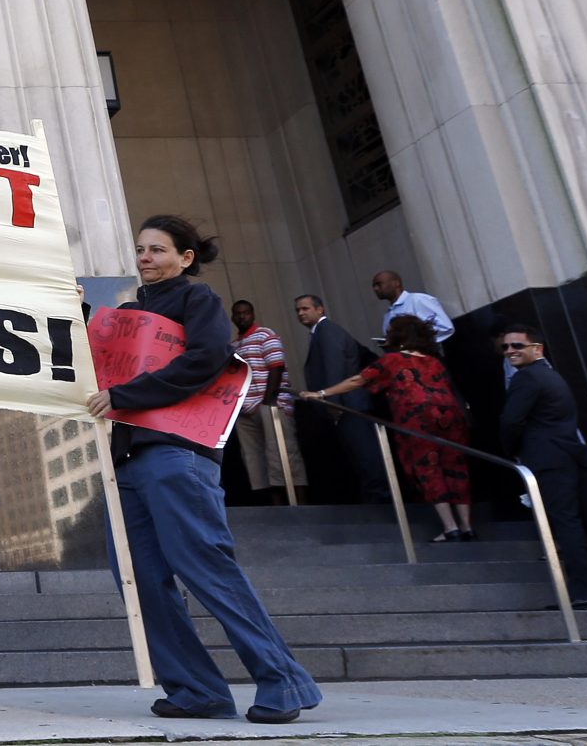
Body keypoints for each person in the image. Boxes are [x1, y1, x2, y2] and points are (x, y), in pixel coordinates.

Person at [87, 214, 322, 724]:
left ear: (185, 257)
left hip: (178, 454)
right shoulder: (129, 311)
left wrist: (124, 395)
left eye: (157, 249)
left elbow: (210, 357)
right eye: (141, 250)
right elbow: (98, 354)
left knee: (206, 569)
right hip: (126, 461)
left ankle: (284, 681)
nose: (146, 257)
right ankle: (196, 690)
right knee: (138, 578)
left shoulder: (198, 300)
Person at [302, 316, 472, 541]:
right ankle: (467, 526)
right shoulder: (433, 360)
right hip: (450, 416)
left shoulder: (393, 360)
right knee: (455, 467)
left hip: (416, 417)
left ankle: (450, 528)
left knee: (427, 468)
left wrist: (322, 393)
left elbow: (358, 380)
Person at [497, 322, 587, 607]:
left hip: (549, 460)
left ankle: (585, 591)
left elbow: (510, 421)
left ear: (537, 349)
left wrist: (513, 451)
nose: (509, 351)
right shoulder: (551, 376)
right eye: (505, 346)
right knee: (577, 521)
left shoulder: (526, 378)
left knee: (566, 524)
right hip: (571, 455)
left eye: (517, 346)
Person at [295, 294, 393, 503]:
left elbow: (334, 369)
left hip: (348, 405)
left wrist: (333, 405)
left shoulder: (327, 331)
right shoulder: (321, 332)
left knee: (367, 457)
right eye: (298, 310)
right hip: (345, 404)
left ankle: (382, 504)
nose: (301, 313)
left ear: (320, 309)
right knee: (360, 458)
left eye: (305, 308)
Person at [229, 300, 300, 503]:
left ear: (252, 314)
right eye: (238, 313)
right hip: (245, 410)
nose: (242, 316)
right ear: (233, 317)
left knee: (282, 455)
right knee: (255, 459)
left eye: (246, 312)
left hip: (268, 405)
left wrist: (268, 403)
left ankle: (299, 505)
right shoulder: (234, 345)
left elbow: (276, 367)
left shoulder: (265, 335)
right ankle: (274, 507)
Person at [372, 270, 454, 345]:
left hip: (426, 357)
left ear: (396, 283)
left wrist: (416, 342)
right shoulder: (388, 314)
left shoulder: (418, 300)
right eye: (374, 286)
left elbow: (446, 327)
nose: (375, 289)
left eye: (379, 284)